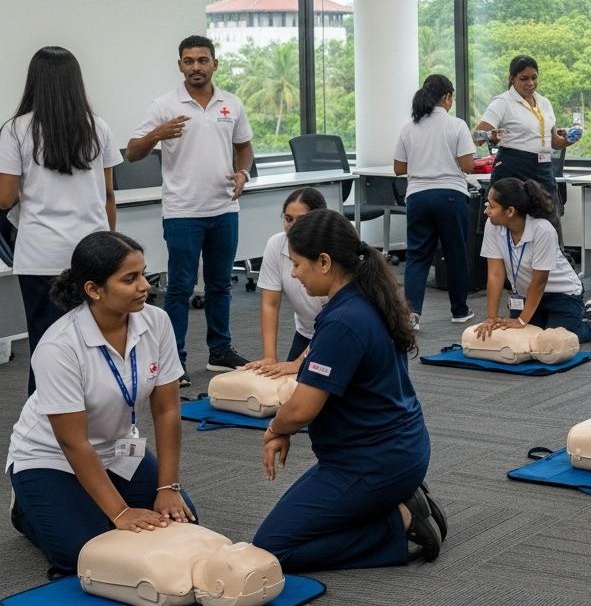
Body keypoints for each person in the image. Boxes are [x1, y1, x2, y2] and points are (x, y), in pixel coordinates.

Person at [252, 209, 445, 570]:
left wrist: (276, 429)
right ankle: (399, 502)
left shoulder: (344, 320)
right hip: (393, 451)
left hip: (372, 462)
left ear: (324, 262)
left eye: (297, 264)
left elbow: (302, 408)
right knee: (300, 527)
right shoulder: (365, 297)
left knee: (271, 550)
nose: (293, 273)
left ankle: (402, 521)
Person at [7, 231, 194, 575]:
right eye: (130, 279)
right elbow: (72, 442)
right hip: (51, 457)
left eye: (143, 274)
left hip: (118, 450)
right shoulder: (59, 346)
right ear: (93, 289)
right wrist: (120, 513)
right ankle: (26, 511)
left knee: (182, 521)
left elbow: (167, 410)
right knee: (82, 554)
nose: (144, 286)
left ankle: (91, 506)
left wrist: (169, 487)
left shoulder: (157, 321)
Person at [127, 35, 254, 384]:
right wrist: (158, 132)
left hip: (225, 208)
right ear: (180, 65)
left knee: (220, 286)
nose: (196, 67)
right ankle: (174, 361)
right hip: (183, 211)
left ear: (215, 63)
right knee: (181, 288)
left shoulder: (232, 104)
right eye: (188, 61)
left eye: (202, 60)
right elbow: (132, 153)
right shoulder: (165, 105)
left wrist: (243, 173)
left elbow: (244, 148)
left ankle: (220, 351)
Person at [0, 46, 122, 396]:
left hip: (40, 255)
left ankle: (43, 430)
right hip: (92, 255)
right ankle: (94, 419)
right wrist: (109, 248)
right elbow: (108, 195)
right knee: (94, 341)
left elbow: (5, 198)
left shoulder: (16, 131)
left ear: (34, 82)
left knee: (46, 344)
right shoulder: (98, 127)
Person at [475, 177, 591, 345]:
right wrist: (491, 318)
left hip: (561, 293)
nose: (486, 210)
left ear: (510, 211)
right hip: (526, 295)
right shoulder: (493, 225)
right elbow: (495, 274)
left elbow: (539, 282)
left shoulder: (543, 230)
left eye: (492, 206)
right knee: (526, 339)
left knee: (558, 340)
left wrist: (521, 321)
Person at [394, 74, 476, 330]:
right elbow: (468, 165)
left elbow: (399, 169)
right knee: (455, 254)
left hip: (418, 196)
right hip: (450, 195)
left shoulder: (409, 127)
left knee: (417, 257)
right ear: (447, 97)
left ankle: (412, 315)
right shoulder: (457, 125)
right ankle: (460, 311)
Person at [245, 188, 328, 378]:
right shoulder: (277, 244)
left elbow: (337, 319)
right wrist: (269, 358)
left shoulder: (332, 250)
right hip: (305, 332)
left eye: (301, 220)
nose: (292, 226)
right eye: (288, 219)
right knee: (283, 384)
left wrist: (300, 362)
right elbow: (270, 304)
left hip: (335, 334)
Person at [475, 55, 578, 204]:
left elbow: (555, 143)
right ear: (512, 79)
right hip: (514, 169)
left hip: (543, 169)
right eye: (524, 79)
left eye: (534, 78)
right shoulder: (502, 102)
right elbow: (476, 137)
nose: (530, 83)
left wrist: (569, 139)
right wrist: (490, 135)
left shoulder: (545, 103)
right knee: (513, 221)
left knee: (548, 221)